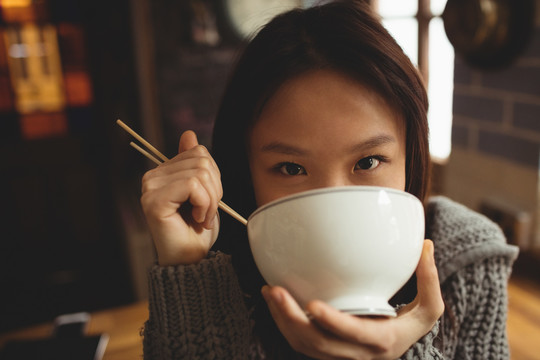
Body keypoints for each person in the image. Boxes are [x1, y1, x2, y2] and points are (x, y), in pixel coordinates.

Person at [140, 1, 519, 358]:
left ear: (410, 156)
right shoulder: (219, 269)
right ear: (245, 169)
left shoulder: (469, 261)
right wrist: (187, 270)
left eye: (368, 161)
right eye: (291, 168)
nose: (332, 209)